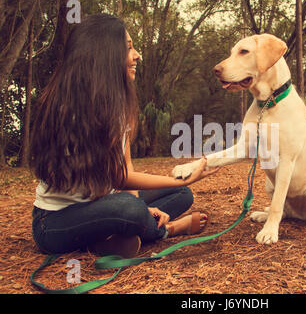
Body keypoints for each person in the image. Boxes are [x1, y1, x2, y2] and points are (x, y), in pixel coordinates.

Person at [29, 14, 218, 258]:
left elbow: (127, 171)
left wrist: (145, 204)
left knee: (181, 196)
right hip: (55, 222)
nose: (137, 55)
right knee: (129, 208)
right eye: (128, 48)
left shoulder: (117, 105)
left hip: (106, 203)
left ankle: (112, 236)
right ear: (105, 54)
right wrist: (181, 180)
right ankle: (166, 230)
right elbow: (120, 178)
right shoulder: (68, 107)